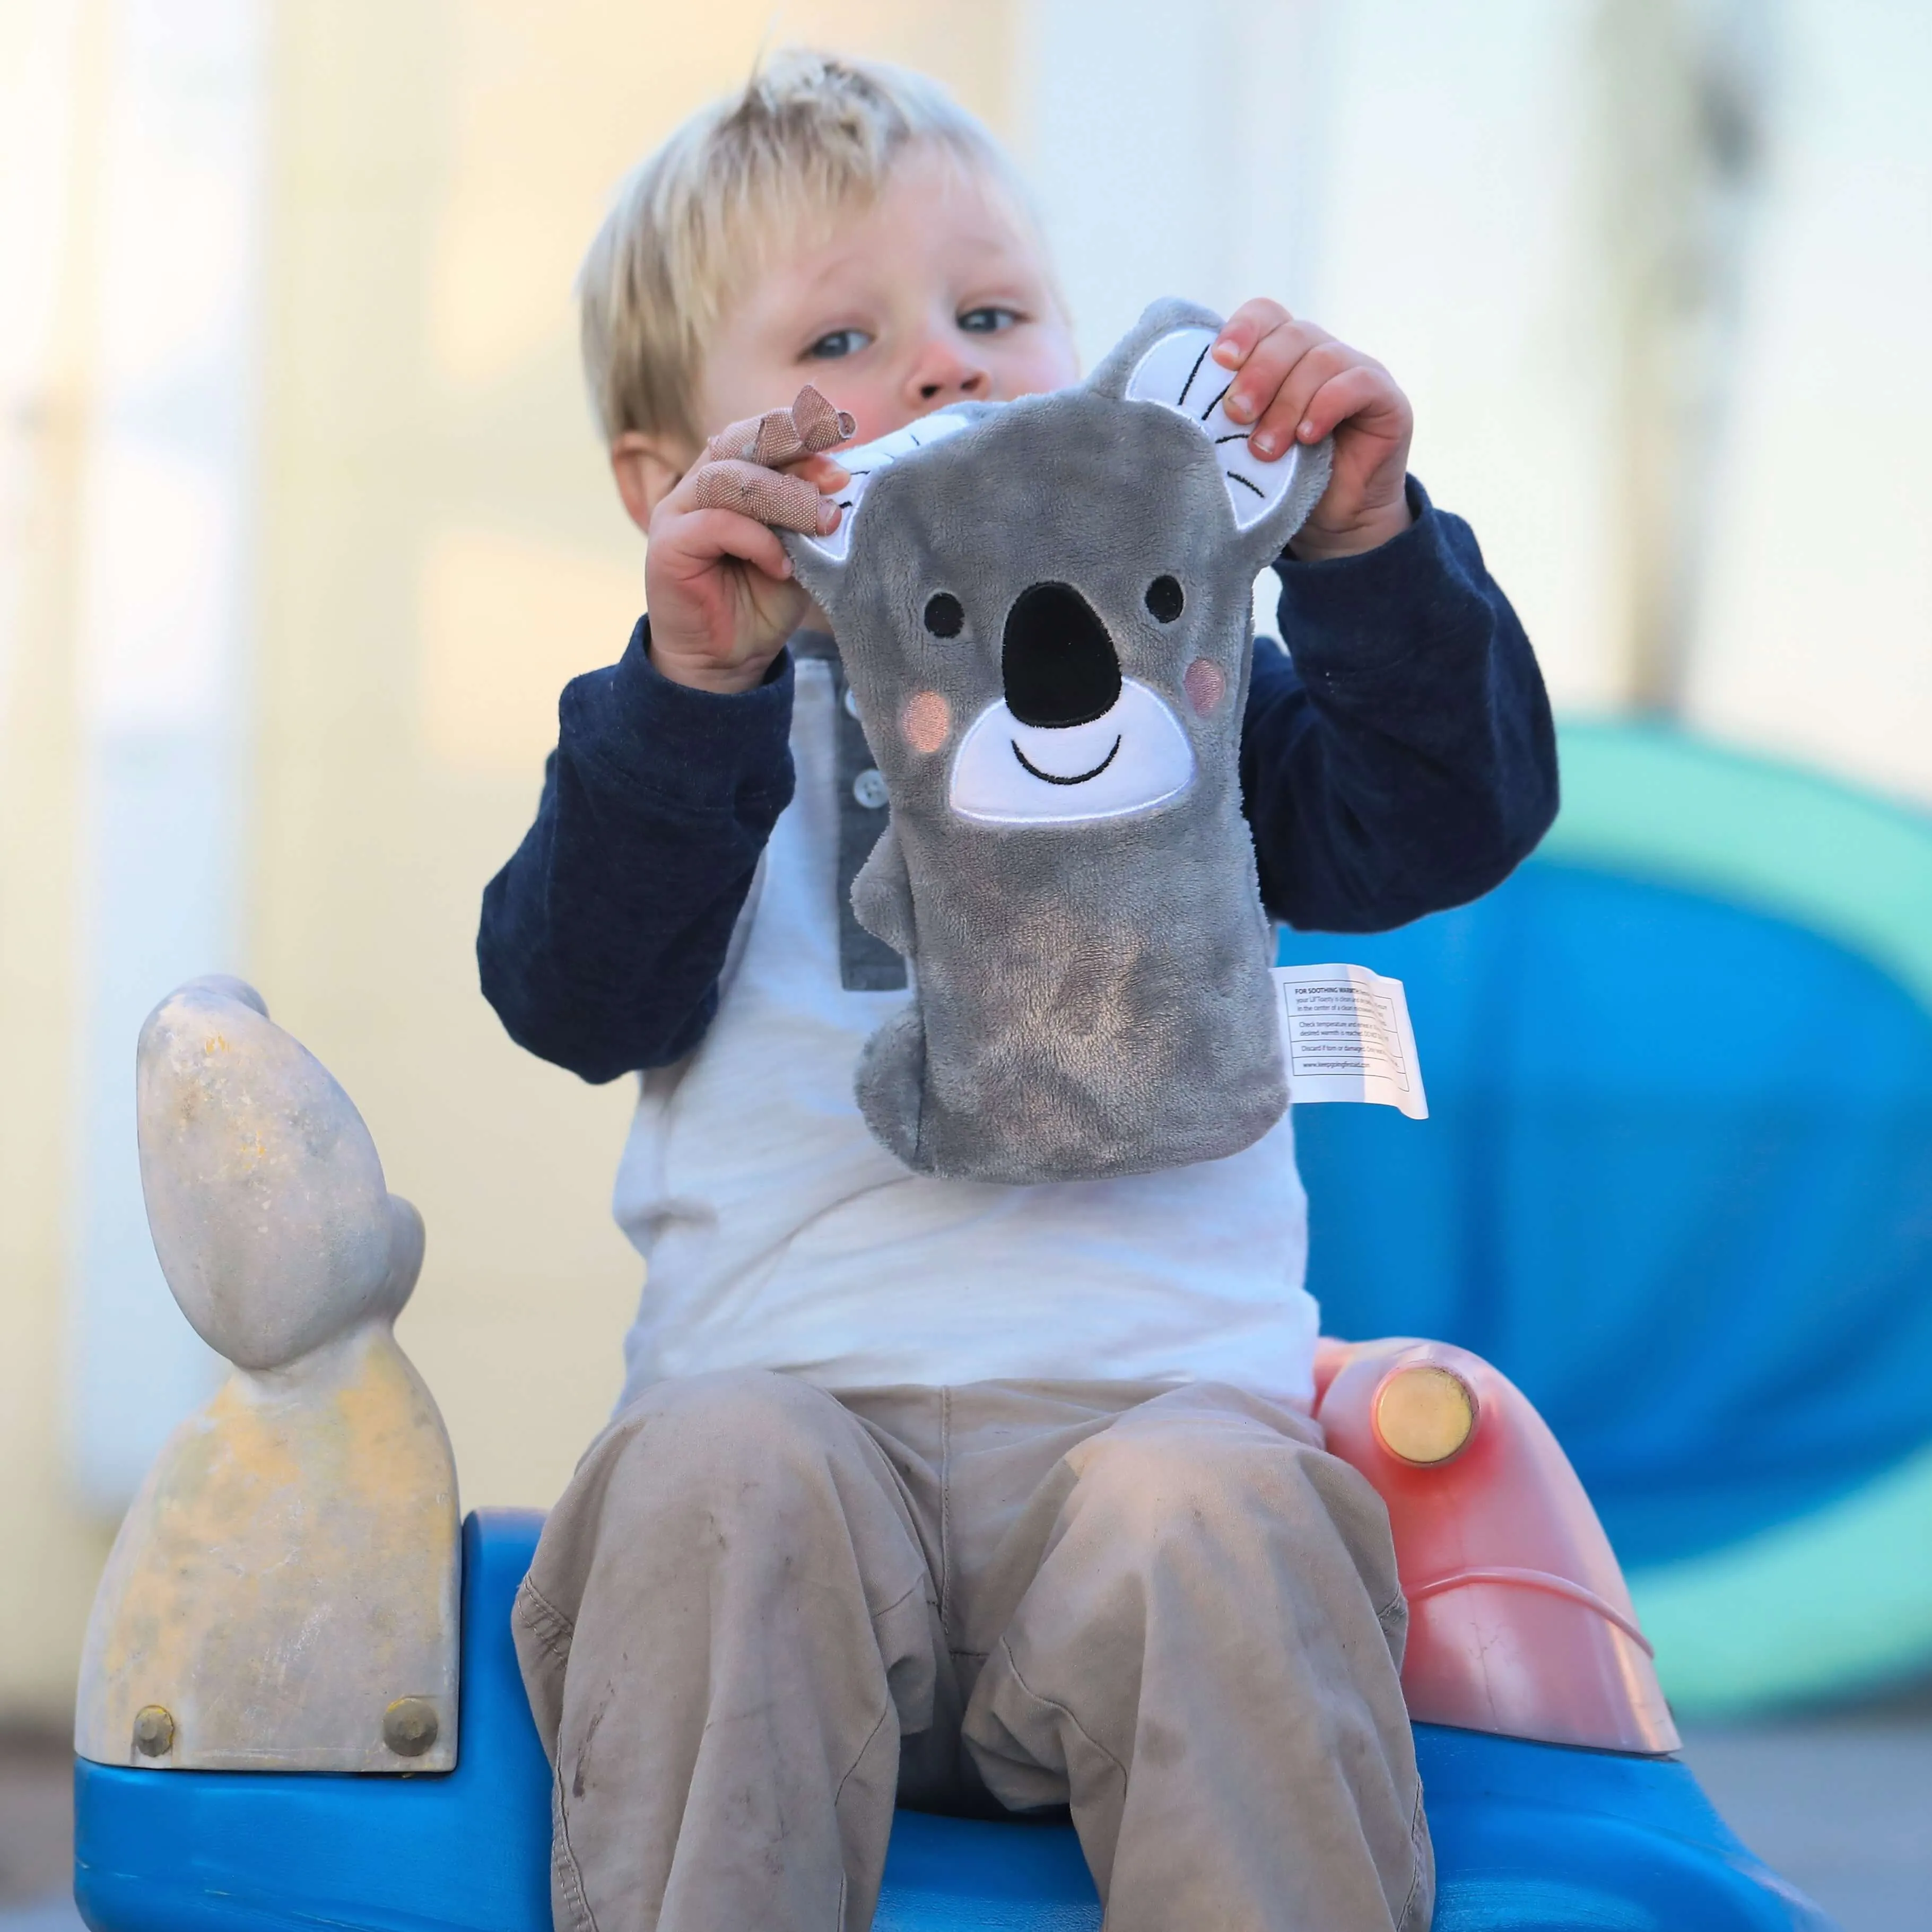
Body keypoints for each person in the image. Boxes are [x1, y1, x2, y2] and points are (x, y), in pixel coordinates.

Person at [480, 49, 1556, 1932]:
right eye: (839, 340)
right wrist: (693, 688)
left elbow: (1443, 821)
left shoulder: (1185, 694)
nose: (944, 370)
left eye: (992, 316)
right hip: (800, 1485)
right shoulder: (698, 737)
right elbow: (573, 992)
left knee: (1220, 1524)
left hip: (1157, 1454)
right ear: (670, 481)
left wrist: (1371, 550)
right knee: (716, 1476)